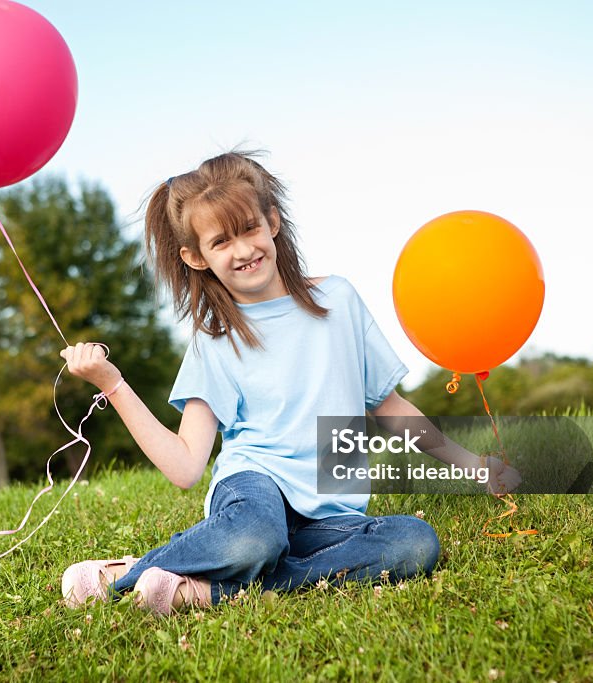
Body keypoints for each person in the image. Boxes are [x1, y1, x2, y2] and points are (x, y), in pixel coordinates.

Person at [59, 151, 520, 616]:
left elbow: (391, 408)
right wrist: (112, 382)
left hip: (332, 516)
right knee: (255, 538)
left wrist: (474, 465)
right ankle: (124, 575)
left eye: (249, 229)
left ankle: (205, 589)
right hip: (255, 490)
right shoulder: (215, 339)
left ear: (272, 222)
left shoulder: (338, 300)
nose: (243, 250)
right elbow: (184, 468)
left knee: (414, 543)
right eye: (221, 241)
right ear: (195, 257)